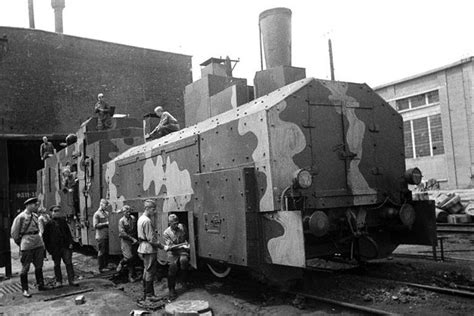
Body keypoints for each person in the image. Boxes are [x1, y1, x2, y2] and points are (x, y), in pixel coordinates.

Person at [10, 197, 48, 297]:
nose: (36, 206)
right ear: (28, 205)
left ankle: (41, 285)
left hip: (37, 242)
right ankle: (25, 290)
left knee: (39, 265)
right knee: (25, 267)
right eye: (34, 205)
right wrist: (21, 243)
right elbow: (14, 233)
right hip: (27, 244)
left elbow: (40, 228)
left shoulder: (35, 216)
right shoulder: (21, 217)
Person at [42, 205, 78, 287]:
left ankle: (71, 280)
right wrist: (49, 249)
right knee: (57, 265)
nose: (56, 213)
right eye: (55, 211)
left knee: (69, 263)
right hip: (55, 248)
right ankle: (59, 281)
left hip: (65, 246)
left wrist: (70, 243)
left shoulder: (63, 222)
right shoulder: (49, 224)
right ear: (51, 213)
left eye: (58, 211)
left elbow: (68, 233)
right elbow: (45, 238)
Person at [137, 199, 164, 301]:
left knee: (146, 269)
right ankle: (149, 295)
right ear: (147, 208)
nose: (155, 211)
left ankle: (146, 293)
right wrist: (161, 246)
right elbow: (151, 239)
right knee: (150, 271)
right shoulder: (147, 221)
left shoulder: (141, 219)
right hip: (149, 248)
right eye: (153, 209)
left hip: (143, 247)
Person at [163, 213, 190, 300]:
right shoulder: (166, 233)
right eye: (174, 223)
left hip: (182, 251)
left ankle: (184, 281)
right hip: (172, 252)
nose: (176, 225)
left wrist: (188, 244)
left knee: (184, 260)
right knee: (172, 266)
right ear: (169, 223)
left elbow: (187, 237)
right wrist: (182, 245)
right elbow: (170, 247)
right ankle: (171, 289)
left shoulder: (182, 227)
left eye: (177, 223)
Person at [117, 205, 139, 282]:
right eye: (126, 212)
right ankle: (121, 262)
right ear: (123, 213)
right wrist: (132, 239)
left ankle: (131, 276)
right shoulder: (121, 221)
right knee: (128, 257)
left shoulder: (133, 218)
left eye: (129, 211)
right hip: (126, 240)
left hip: (133, 240)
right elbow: (122, 233)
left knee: (132, 259)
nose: (128, 213)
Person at [93, 198, 110, 273]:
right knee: (101, 251)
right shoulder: (97, 214)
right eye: (105, 205)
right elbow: (95, 225)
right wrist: (105, 224)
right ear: (101, 204)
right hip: (101, 236)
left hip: (106, 235)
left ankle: (105, 265)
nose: (106, 207)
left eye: (107, 205)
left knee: (106, 251)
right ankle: (101, 268)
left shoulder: (106, 213)